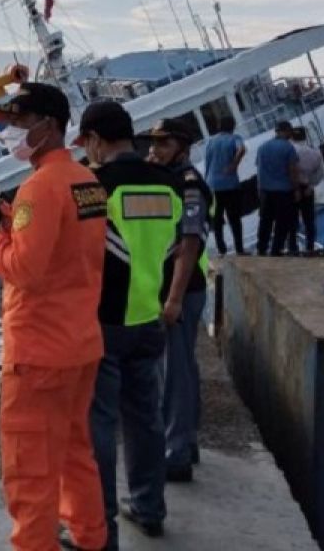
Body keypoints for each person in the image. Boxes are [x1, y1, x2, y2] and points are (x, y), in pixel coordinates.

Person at [0, 83, 109, 551]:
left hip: (38, 354)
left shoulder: (38, 187)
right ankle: (91, 540)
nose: (13, 133)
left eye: (20, 123)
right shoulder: (86, 181)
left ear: (49, 126)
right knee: (75, 454)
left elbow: (26, 270)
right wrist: (16, 222)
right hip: (80, 345)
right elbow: (69, 247)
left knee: (29, 469)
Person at [74, 101, 191, 548]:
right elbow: (180, 244)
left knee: (98, 424)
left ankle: (98, 527)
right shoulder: (169, 184)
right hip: (151, 317)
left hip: (104, 321)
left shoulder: (93, 186)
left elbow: (77, 252)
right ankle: (149, 508)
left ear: (96, 139)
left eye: (86, 142)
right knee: (145, 418)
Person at [143, 117, 211, 484]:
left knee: (174, 374)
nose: (155, 150)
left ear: (182, 148)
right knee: (182, 368)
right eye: (153, 143)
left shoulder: (189, 187)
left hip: (183, 289)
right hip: (175, 287)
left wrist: (173, 300)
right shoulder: (167, 181)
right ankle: (187, 442)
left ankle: (176, 453)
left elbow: (189, 245)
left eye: (163, 144)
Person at [203, 116, 246, 255]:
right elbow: (242, 149)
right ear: (232, 126)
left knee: (217, 219)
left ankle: (222, 251)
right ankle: (239, 250)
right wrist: (234, 164)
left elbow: (207, 164)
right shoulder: (234, 138)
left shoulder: (210, 141)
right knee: (234, 219)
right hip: (229, 185)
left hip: (212, 186)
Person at [255, 121, 299, 255]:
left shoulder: (262, 148)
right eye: (290, 131)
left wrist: (260, 192)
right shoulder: (288, 148)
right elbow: (292, 171)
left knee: (265, 221)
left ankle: (261, 249)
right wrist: (296, 189)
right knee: (282, 222)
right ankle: (276, 250)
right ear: (285, 131)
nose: (291, 134)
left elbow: (259, 172)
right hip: (283, 192)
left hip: (266, 191)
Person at [287, 126, 324, 256]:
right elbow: (320, 173)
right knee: (309, 220)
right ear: (305, 136)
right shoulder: (315, 153)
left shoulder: (288, 152)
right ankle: (310, 247)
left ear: (292, 137)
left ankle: (293, 248)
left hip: (292, 190)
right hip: (307, 188)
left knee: (292, 221)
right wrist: (311, 186)